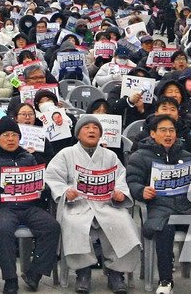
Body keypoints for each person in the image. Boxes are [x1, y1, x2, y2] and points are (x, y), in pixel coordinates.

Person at [124, 114, 191, 294]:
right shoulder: (139, 156)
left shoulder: (186, 155)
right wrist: (142, 190)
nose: (168, 134)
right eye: (163, 130)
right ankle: (165, 280)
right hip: (160, 208)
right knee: (165, 229)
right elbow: (132, 180)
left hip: (188, 207)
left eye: (171, 130)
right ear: (153, 134)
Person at [43, 114, 140, 294]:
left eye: (95, 128)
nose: (91, 130)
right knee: (75, 224)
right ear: (78, 134)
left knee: (124, 223)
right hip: (78, 205)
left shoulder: (110, 155)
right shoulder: (66, 154)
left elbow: (120, 177)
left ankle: (116, 273)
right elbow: (52, 177)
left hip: (106, 204)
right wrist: (65, 191)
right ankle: (83, 273)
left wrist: (119, 193)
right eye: (86, 127)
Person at [0, 117, 61, 294]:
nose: (11, 139)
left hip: (28, 206)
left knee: (52, 227)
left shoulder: (28, 157)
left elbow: (41, 180)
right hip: (3, 207)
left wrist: (42, 187)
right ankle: (10, 279)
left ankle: (34, 273)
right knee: (4, 230)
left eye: (14, 135)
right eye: (6, 135)